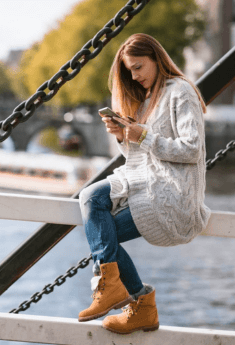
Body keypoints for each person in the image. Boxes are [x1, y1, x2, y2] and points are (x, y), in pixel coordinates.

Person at [77, 33, 211, 334]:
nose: (135, 76)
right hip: (145, 182)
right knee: (91, 198)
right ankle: (127, 296)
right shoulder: (147, 99)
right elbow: (138, 156)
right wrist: (124, 136)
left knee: (102, 239)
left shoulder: (181, 91)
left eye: (138, 67)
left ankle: (137, 302)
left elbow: (192, 149)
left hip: (172, 195)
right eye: (130, 71)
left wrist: (143, 136)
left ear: (156, 58)